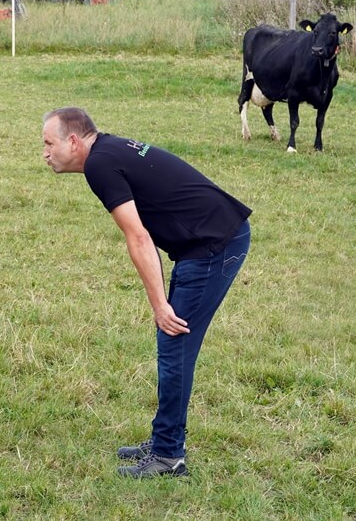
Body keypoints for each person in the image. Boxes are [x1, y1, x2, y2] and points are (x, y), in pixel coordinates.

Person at [41, 107, 252, 478]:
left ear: (73, 141)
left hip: (214, 244)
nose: (45, 153)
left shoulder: (100, 165)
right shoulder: (108, 151)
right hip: (209, 240)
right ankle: (163, 441)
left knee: (174, 343)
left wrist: (159, 305)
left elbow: (138, 237)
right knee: (174, 343)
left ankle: (169, 456)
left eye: (48, 143)